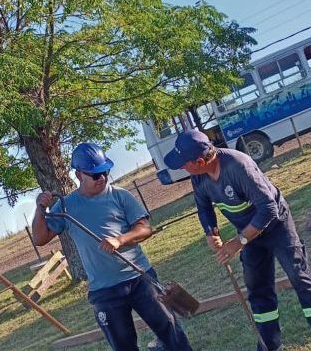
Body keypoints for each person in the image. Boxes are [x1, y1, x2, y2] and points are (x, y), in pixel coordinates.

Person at [164, 130, 311, 351]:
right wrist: (210, 232)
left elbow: (268, 209)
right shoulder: (198, 176)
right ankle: (269, 346)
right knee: (257, 288)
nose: (182, 168)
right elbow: (203, 206)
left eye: (184, 163)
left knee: (298, 275)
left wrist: (238, 241)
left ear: (200, 161)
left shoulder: (238, 166)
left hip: (276, 225)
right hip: (248, 233)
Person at [33, 142, 192, 351]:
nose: (102, 178)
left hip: (140, 278)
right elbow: (40, 238)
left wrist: (121, 239)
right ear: (79, 174)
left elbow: (145, 229)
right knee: (123, 345)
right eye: (95, 175)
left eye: (105, 172)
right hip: (104, 291)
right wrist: (40, 208)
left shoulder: (120, 195)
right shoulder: (66, 206)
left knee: (170, 331)